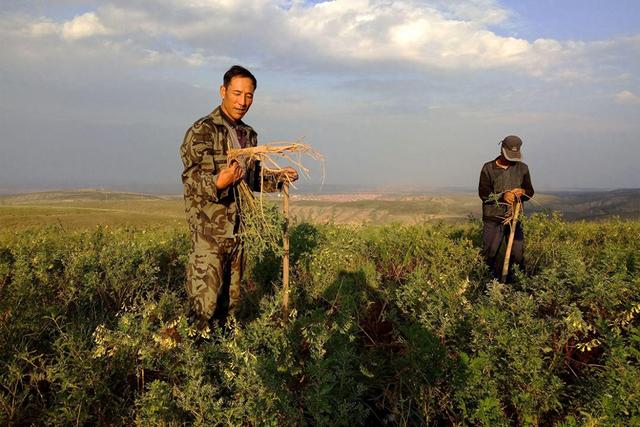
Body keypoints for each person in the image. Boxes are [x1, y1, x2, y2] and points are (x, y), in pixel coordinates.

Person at [179, 65, 298, 329]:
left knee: (231, 305)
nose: (243, 101)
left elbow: (252, 178)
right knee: (204, 306)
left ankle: (224, 361)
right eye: (236, 93)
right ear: (223, 91)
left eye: (249, 95)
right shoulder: (202, 131)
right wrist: (217, 182)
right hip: (208, 235)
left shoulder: (249, 135)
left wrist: (279, 179)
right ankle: (193, 363)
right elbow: (191, 178)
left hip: (239, 234)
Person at [478, 135, 534, 281]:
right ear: (502, 149)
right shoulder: (488, 168)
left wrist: (522, 193)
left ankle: (515, 287)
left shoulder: (523, 169)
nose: (511, 159)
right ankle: (484, 284)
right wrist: (503, 196)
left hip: (515, 219)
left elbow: (530, 192)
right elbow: (483, 194)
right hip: (493, 219)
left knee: (517, 255)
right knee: (489, 254)